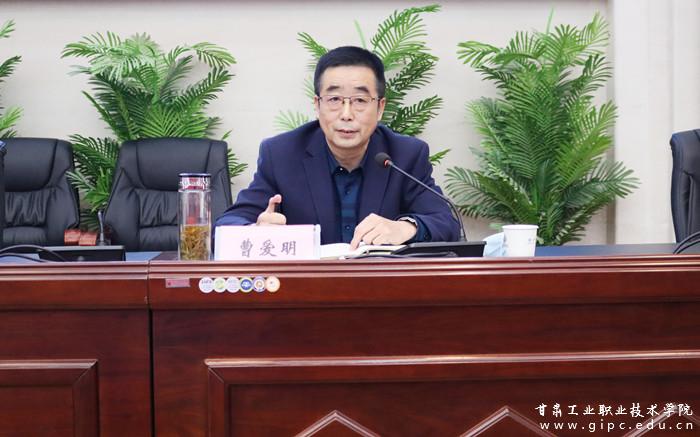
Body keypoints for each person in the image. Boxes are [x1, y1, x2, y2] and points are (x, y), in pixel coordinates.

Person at [215, 46, 459, 248]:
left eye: (360, 100)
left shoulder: (405, 155)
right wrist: (255, 230)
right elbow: (225, 227)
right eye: (334, 99)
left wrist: (406, 227)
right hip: (308, 288)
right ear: (317, 105)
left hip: (381, 287)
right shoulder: (281, 154)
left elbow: (446, 223)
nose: (346, 114)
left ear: (380, 107)